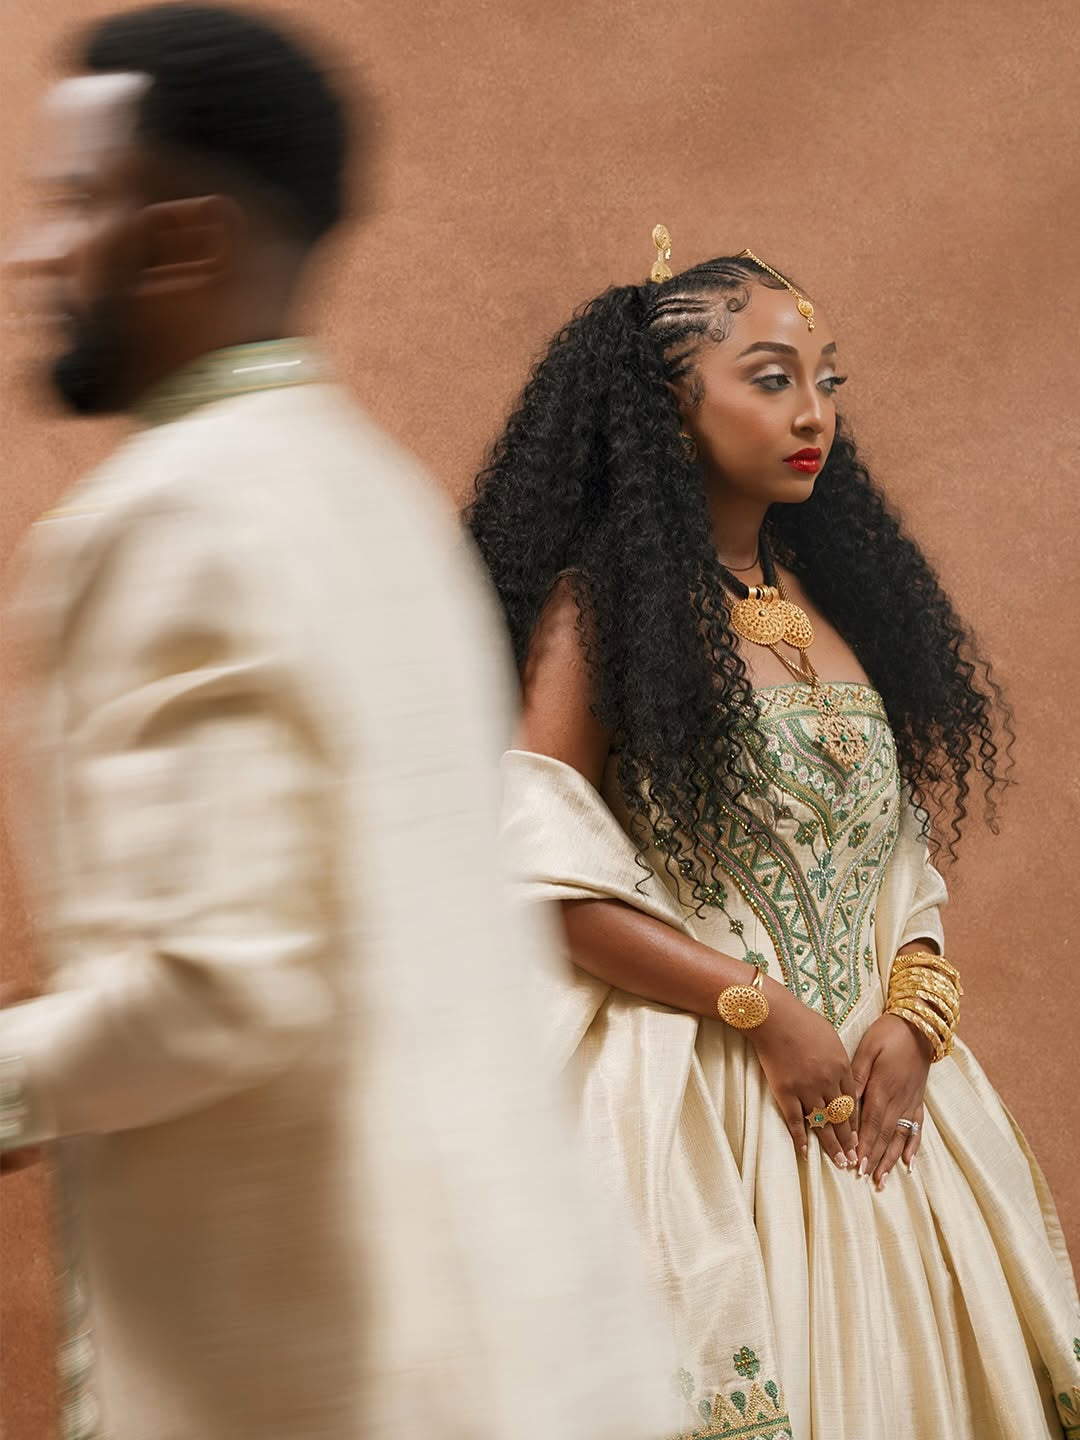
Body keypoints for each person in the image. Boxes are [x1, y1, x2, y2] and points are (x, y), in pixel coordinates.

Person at [0, 9, 672, 1439]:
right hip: (534, 1357)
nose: (31, 255)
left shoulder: (167, 519)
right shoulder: (375, 499)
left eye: (67, 205)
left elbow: (225, 987)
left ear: (180, 239)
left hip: (338, 1381)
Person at [466, 234, 1080, 1440]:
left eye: (826, 379)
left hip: (884, 1108)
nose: (813, 414)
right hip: (707, 1103)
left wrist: (912, 1015)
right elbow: (537, 873)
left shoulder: (830, 604)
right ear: (666, 405)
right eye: (770, 376)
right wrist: (763, 1009)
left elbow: (896, 860)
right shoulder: (603, 615)